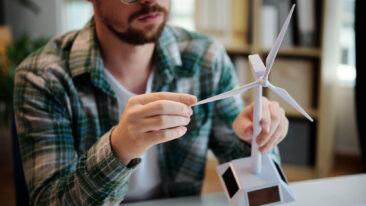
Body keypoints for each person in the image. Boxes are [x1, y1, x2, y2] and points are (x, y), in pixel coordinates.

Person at [13, 0, 289, 205]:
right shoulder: (44, 77)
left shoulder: (205, 58)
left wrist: (255, 138)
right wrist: (118, 148)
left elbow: (254, 185)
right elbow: (50, 201)